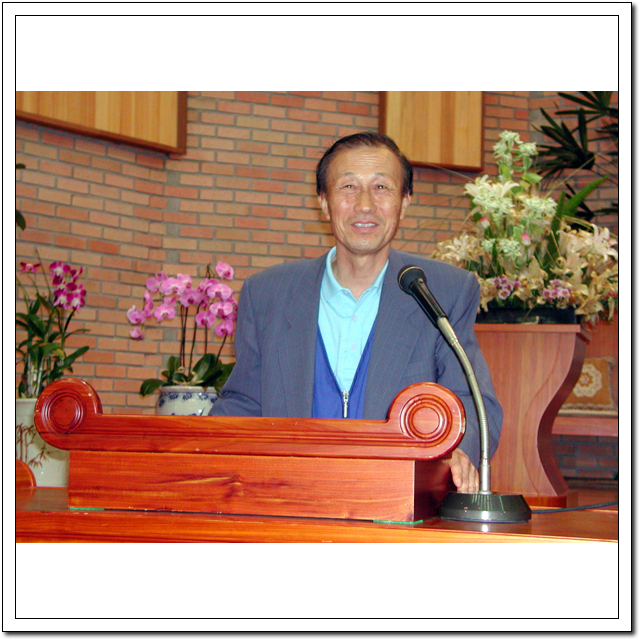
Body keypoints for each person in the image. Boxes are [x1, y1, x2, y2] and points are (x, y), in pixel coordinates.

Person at [210, 132, 502, 493]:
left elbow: (472, 400)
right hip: (288, 497)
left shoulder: (441, 291)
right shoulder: (268, 294)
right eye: (348, 187)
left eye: (381, 187)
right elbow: (243, 403)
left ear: (404, 203)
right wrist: (198, 452)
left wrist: (459, 451)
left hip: (398, 502)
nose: (365, 204)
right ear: (324, 202)